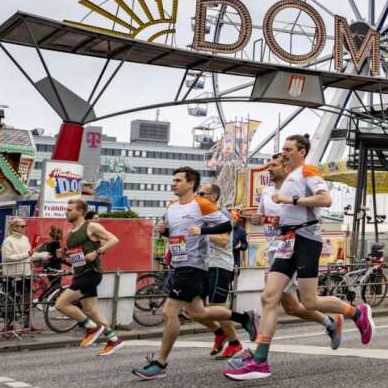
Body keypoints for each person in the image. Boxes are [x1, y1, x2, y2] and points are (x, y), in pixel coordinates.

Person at [225, 135, 371, 381]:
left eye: (288, 149)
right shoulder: (286, 180)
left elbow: (325, 199)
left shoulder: (307, 171)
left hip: (306, 240)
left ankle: (356, 314)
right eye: (283, 149)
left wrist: (290, 200)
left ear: (301, 152)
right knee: (269, 297)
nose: (283, 153)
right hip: (286, 241)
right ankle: (260, 359)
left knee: (310, 301)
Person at [132, 166, 257, 380]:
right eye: (173, 180)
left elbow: (226, 227)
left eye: (178, 180)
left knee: (169, 313)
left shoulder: (202, 204)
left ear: (191, 184)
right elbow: (177, 235)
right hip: (179, 264)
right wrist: (165, 231)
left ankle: (160, 363)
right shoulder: (171, 207)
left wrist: (203, 230)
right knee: (198, 313)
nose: (174, 184)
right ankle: (244, 318)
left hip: (194, 266)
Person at [229, 153, 342, 369]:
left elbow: (314, 212)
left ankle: (257, 356)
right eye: (268, 165)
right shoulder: (266, 193)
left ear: (286, 166)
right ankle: (329, 322)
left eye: (274, 165)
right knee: (292, 307)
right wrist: (259, 219)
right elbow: (264, 218)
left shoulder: (298, 187)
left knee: (273, 300)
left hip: (296, 247)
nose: (269, 169)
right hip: (277, 250)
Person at [53, 198, 124, 355]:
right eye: (67, 209)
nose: (67, 211)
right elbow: (75, 258)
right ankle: (114, 339)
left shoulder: (91, 226)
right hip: (80, 273)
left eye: (70, 209)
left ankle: (92, 328)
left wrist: (97, 252)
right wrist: (64, 255)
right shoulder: (70, 232)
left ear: (80, 211)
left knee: (61, 304)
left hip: (90, 274)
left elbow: (114, 239)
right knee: (91, 311)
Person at [194, 183, 244, 359]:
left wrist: (201, 232)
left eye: (202, 193)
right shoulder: (203, 214)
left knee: (217, 307)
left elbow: (223, 240)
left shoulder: (221, 214)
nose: (198, 196)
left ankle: (234, 342)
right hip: (203, 265)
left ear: (213, 197)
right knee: (191, 307)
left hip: (220, 265)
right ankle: (219, 332)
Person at [1, 218, 50, 330]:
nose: (25, 228)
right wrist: (26, 254)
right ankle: (8, 326)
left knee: (28, 300)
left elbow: (30, 255)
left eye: (25, 226)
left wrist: (43, 255)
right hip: (11, 275)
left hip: (25, 273)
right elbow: (7, 258)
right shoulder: (8, 240)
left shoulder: (25, 239)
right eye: (22, 226)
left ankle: (27, 325)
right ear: (14, 227)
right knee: (11, 301)